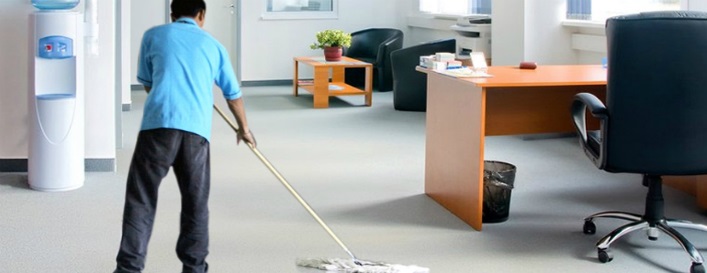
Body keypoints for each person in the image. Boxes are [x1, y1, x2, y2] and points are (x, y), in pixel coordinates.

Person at [113, 0, 255, 272]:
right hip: (195, 134)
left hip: (156, 129)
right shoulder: (214, 46)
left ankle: (128, 268)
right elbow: (233, 95)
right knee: (195, 203)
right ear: (201, 15)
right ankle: (194, 267)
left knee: (141, 198)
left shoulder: (154, 35)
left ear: (172, 14)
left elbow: (147, 82)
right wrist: (243, 129)